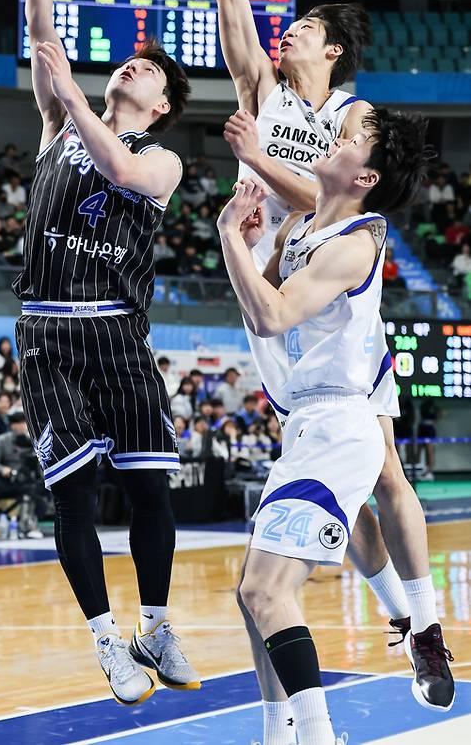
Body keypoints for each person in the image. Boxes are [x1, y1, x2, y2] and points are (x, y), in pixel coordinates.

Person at [176, 0, 449, 728]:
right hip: (275, 280)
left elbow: (325, 192)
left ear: (332, 51)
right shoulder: (261, 85)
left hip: (327, 294)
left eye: (301, 27)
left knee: (383, 471)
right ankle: (331, 671)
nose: (284, 30)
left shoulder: (352, 120)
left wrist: (260, 163)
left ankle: (423, 622)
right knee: (332, 479)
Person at [14, 0, 197, 706]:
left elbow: (119, 166)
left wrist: (81, 99)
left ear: (158, 106)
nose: (136, 65)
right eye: (133, 60)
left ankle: (155, 621)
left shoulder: (160, 158)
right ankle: (107, 641)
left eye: (149, 71)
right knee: (76, 492)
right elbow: (44, 31)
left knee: (152, 486)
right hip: (48, 329)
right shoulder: (58, 124)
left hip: (119, 330)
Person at [216, 109, 453, 744]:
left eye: (348, 141)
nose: (332, 142)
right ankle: (279, 731)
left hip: (343, 422)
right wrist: (251, 240)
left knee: (269, 591)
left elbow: (272, 318)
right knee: (253, 595)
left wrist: (228, 238)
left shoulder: (356, 241)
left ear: (367, 173)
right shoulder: (299, 225)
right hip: (305, 425)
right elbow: (257, 302)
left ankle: (322, 728)